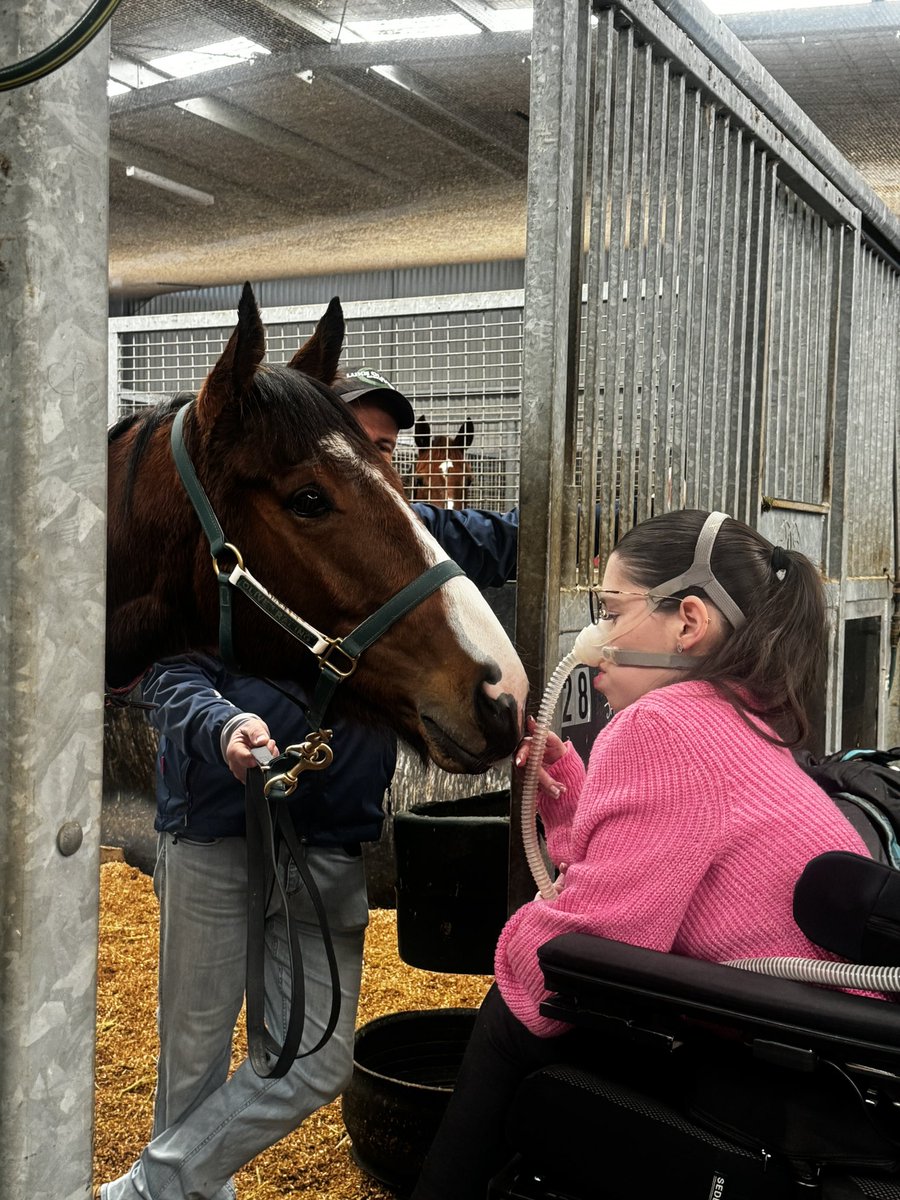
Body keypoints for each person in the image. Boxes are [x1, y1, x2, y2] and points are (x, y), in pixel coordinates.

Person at [97, 371, 518, 1200]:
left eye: (385, 454)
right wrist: (222, 723)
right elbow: (163, 670)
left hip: (328, 837)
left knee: (315, 1059)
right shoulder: (245, 537)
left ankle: (145, 1191)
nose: (378, 466)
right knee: (193, 1051)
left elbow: (504, 540)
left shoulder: (406, 538)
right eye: (361, 451)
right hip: (215, 825)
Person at [411, 508, 880, 1200]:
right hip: (832, 1059)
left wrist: (518, 941)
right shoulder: (736, 714)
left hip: (788, 1072)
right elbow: (656, 880)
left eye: (610, 608)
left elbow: (592, 950)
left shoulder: (662, 724)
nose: (592, 634)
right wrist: (571, 802)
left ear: (689, 621)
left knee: (513, 1007)